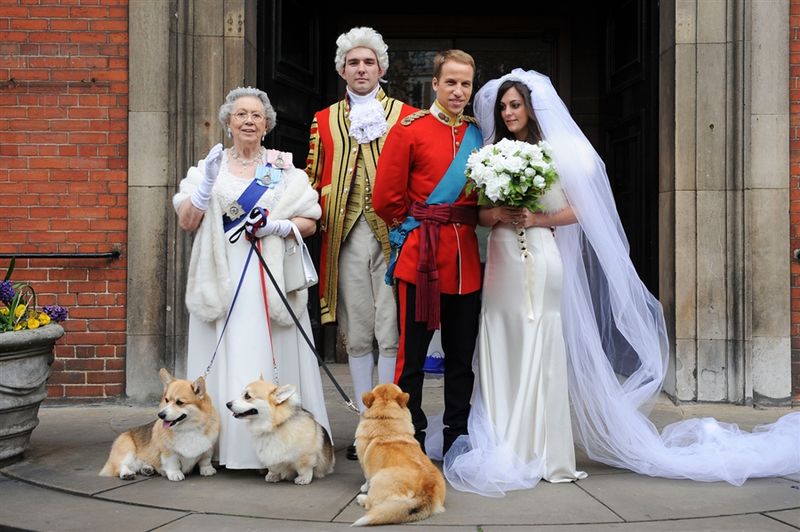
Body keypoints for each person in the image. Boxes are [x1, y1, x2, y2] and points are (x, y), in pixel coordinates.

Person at [444, 68, 800, 496]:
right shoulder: (490, 152)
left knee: (541, 342)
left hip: (541, 253)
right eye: (503, 106)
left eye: (515, 104)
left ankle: (540, 447)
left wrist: (537, 217)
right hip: (502, 257)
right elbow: (480, 214)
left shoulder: (559, 152)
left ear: (531, 108)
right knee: (500, 341)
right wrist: (499, 214)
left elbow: (580, 209)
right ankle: (502, 438)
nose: (508, 111)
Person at [173, 87, 331, 469]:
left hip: (269, 272)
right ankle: (228, 449)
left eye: (256, 115)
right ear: (228, 122)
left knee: (267, 347)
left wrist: (276, 226)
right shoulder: (208, 166)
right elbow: (187, 222)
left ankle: (285, 448)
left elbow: (311, 220)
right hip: (223, 274)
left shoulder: (281, 167)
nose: (248, 120)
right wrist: (207, 185)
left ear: (267, 124)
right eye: (241, 114)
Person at [306, 27, 415, 460]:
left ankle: (390, 421)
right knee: (358, 332)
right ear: (342, 70)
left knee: (390, 328)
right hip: (346, 235)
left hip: (393, 235)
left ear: (382, 68)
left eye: (369, 62)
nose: (362, 68)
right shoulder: (322, 119)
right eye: (354, 62)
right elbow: (314, 179)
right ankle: (363, 424)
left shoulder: (406, 115)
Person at [373, 50, 483, 457]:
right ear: (434, 84)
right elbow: (385, 198)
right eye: (450, 82)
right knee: (412, 359)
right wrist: (419, 221)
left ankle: (457, 437)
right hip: (420, 258)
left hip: (464, 263)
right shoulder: (409, 129)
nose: (458, 91)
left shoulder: (477, 133)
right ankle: (409, 438)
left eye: (465, 84)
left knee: (460, 359)